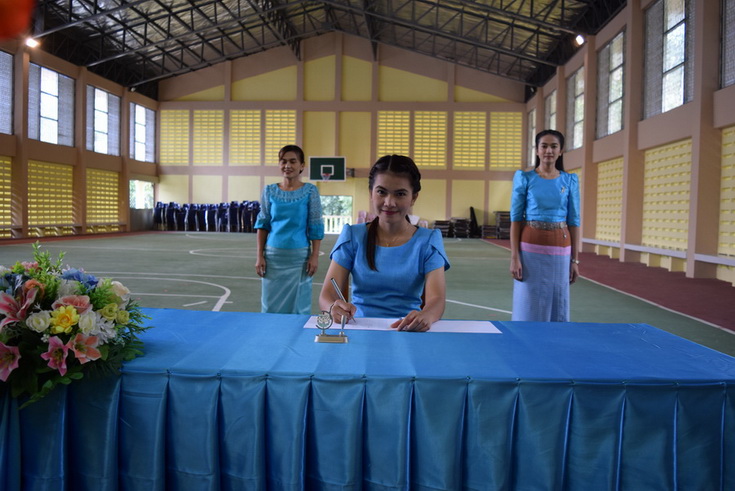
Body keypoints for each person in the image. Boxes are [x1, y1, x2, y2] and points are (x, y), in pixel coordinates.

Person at [319, 155, 450, 332]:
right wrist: (332, 307)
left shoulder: (428, 241)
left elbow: (436, 299)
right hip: (359, 329)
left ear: (414, 197)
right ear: (371, 193)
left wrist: (427, 315)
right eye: (381, 192)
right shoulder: (352, 236)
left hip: (408, 330)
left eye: (400, 194)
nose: (389, 202)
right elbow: (327, 294)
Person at [510, 129, 580, 322]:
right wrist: (515, 257)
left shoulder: (570, 180)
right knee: (530, 299)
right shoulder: (524, 178)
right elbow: (516, 220)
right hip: (530, 249)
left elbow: (574, 222)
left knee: (558, 298)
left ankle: (556, 336)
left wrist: (574, 261)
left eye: (554, 146)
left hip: (561, 250)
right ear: (537, 150)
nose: (549, 150)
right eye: (544, 146)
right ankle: (526, 335)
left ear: (561, 151)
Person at [254, 145, 324, 314]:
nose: (287, 165)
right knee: (270, 306)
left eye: (293, 161)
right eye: (283, 161)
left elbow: (315, 225)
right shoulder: (269, 191)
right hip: (273, 257)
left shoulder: (311, 191)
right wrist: (259, 256)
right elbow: (263, 224)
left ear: (302, 165)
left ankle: (296, 332)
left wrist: (314, 256)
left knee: (299, 306)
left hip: (299, 258)